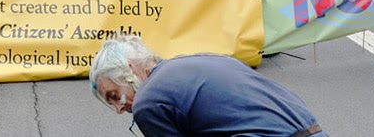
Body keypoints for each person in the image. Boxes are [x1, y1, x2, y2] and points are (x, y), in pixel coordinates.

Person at [89, 34, 327, 137]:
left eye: (114, 95)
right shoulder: (200, 61)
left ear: (130, 68)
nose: (118, 108)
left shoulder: (147, 102)